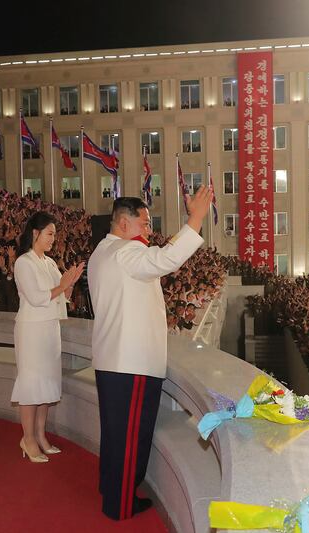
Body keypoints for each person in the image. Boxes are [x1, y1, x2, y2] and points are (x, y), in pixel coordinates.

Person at [88, 185, 211, 520]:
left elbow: (154, 256)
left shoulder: (104, 251)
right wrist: (195, 219)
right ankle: (121, 504)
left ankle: (111, 490)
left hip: (113, 359)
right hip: (133, 362)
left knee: (115, 433)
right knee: (130, 438)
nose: (149, 230)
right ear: (123, 224)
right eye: (144, 224)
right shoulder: (126, 253)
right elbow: (164, 259)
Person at [11, 211, 84, 463]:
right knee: (32, 385)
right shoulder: (24, 262)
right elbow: (36, 297)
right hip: (31, 329)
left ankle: (40, 436)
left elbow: (62, 297)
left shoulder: (50, 262)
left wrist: (71, 281)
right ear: (35, 233)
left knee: (46, 385)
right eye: (50, 233)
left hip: (50, 329)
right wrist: (63, 285)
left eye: (55, 234)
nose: (54, 238)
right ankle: (27, 439)